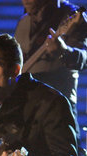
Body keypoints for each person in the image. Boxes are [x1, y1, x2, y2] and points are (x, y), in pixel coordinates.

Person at [15, 0, 87, 136]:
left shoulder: (71, 15)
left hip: (59, 109)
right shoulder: (23, 21)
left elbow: (84, 58)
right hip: (27, 110)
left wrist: (63, 51)